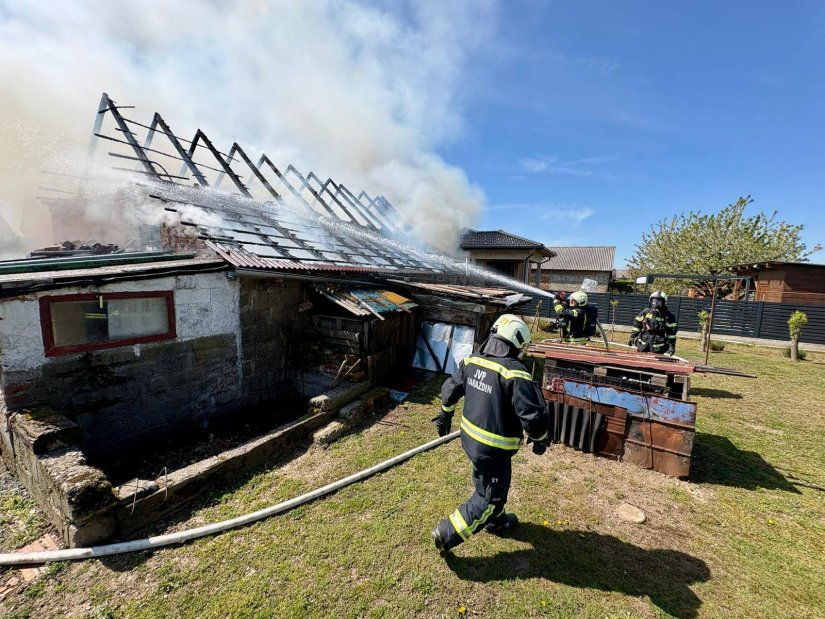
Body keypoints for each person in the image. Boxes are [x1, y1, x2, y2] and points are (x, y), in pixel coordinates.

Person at [430, 314, 551, 553]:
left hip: (470, 440)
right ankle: (446, 533)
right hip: (494, 449)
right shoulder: (515, 373)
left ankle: (495, 521)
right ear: (515, 341)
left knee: (489, 480)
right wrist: (540, 439)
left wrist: (445, 414)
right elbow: (533, 415)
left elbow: (449, 389)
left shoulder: (472, 360)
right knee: (490, 498)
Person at [629, 291, 679, 355]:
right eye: (654, 301)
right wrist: (632, 336)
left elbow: (671, 334)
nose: (655, 303)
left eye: (659, 302)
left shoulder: (668, 316)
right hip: (643, 345)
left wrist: (671, 346)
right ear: (650, 301)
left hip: (658, 348)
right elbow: (637, 325)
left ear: (664, 303)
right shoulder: (645, 312)